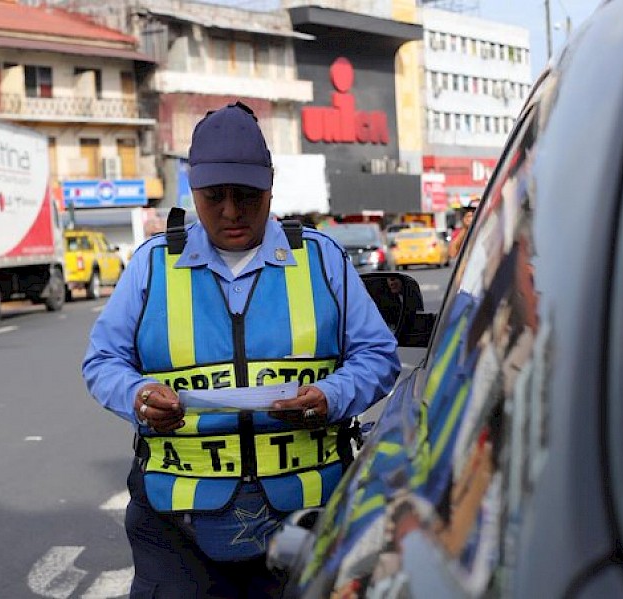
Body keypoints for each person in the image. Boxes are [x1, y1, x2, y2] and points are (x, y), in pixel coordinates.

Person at [82, 101, 401, 598]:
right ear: (192, 191)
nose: (231, 211)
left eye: (247, 196)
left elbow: (378, 356)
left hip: (307, 517)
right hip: (176, 527)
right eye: (215, 197)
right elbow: (102, 362)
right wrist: (139, 395)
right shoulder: (151, 265)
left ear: (271, 188)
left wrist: (332, 395)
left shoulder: (320, 258)